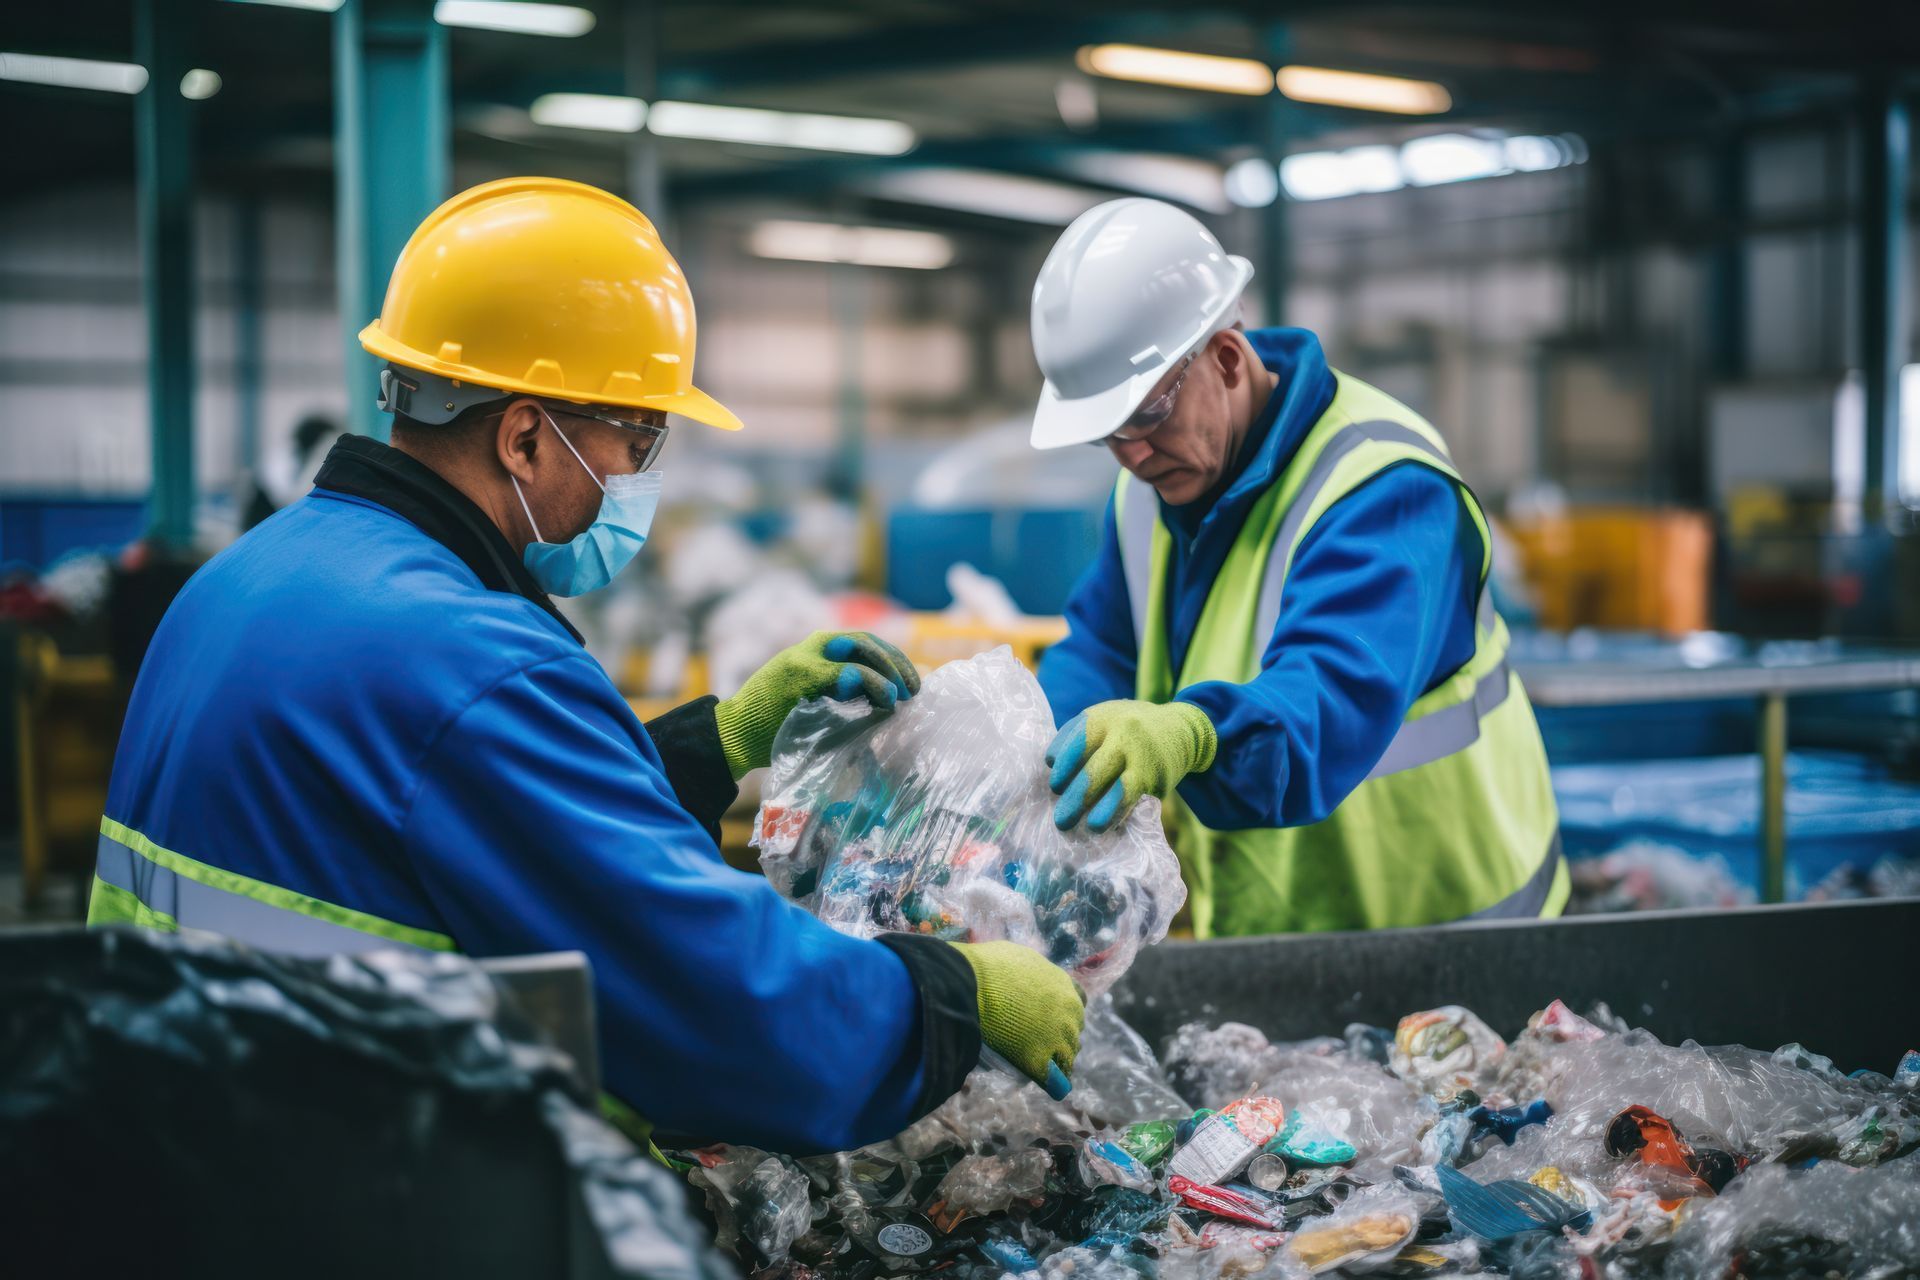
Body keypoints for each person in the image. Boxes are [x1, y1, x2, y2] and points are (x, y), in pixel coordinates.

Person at [88, 177, 1083, 1154]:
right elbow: (725, 1011)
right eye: (636, 436)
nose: (641, 475)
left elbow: (433, 830)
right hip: (358, 1185)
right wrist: (955, 991)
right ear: (525, 435)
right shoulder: (471, 665)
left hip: (188, 1148)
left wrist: (712, 742)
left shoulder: (242, 580)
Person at [1029, 198, 1564, 938]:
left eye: (1147, 416)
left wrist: (1192, 734)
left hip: (1455, 938)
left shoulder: (1384, 488)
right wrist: (1032, 756)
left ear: (1225, 358)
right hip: (1277, 937)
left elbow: (1323, 708)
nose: (1132, 455)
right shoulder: (1145, 491)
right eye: (1107, 436)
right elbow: (1103, 648)